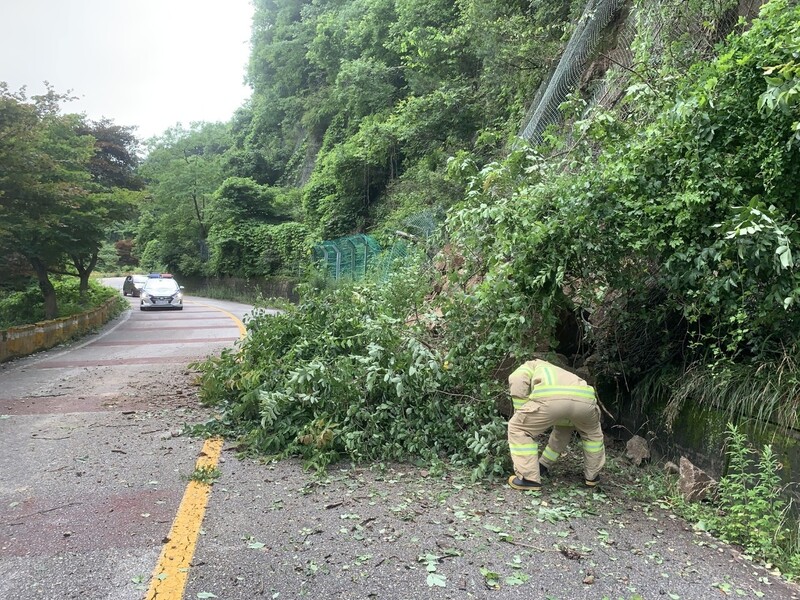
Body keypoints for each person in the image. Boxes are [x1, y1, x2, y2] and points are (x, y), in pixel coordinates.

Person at [506, 357, 605, 490]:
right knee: (592, 435)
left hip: (552, 400)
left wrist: (521, 412)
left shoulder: (530, 365)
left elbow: (516, 380)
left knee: (517, 428)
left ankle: (529, 479)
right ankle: (592, 477)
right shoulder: (558, 371)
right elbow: (562, 435)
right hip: (585, 401)